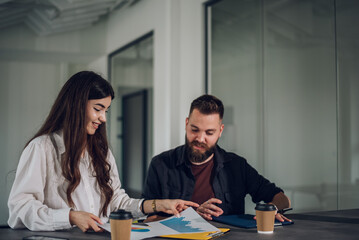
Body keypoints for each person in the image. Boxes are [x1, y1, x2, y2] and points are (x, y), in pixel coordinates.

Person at [8, 71, 198, 232]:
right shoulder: (41, 148)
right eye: (98, 109)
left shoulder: (100, 152)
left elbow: (116, 201)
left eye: (106, 110)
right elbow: (20, 208)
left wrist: (158, 204)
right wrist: (71, 217)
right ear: (76, 105)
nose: (103, 118)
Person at [142, 94, 291, 222]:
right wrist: (189, 217)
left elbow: (282, 199)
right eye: (194, 130)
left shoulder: (237, 166)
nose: (200, 138)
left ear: (220, 131)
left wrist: (272, 210)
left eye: (209, 132)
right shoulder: (160, 164)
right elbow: (149, 218)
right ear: (186, 124)